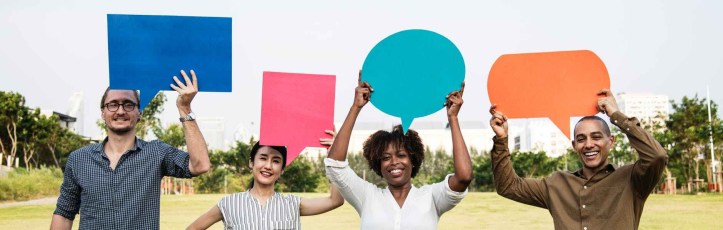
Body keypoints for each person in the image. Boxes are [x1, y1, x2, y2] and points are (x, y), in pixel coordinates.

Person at [51, 70, 211, 229]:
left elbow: (200, 165)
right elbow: (64, 214)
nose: (120, 111)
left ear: (139, 112)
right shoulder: (79, 159)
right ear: (103, 113)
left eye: (128, 104)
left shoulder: (156, 153)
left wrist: (184, 108)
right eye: (113, 104)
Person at [488, 89, 668, 230]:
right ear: (574, 146)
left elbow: (656, 156)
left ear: (610, 141)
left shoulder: (632, 180)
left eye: (596, 137)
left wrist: (615, 115)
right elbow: (508, 186)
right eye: (581, 139)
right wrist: (501, 139)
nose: (589, 144)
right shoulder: (556, 185)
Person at [324, 73, 473, 229]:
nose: (394, 162)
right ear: (378, 164)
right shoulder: (367, 197)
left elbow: (464, 177)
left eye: (401, 155)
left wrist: (453, 118)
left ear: (413, 160)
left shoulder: (432, 197)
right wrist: (356, 107)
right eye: (386, 157)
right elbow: (335, 166)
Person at [186, 131, 344, 230]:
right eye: (263, 158)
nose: (268, 166)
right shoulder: (229, 204)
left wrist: (335, 156)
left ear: (282, 170)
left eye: (276, 161)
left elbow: (335, 200)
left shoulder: (293, 204)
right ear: (251, 162)